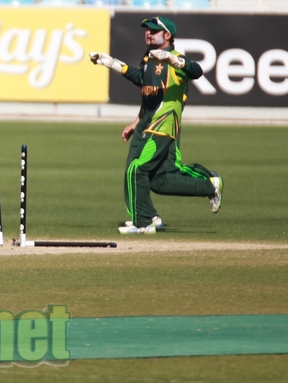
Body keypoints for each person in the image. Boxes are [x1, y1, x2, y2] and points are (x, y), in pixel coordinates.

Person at [90, 15, 222, 234]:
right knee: (158, 181)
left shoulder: (175, 59)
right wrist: (111, 63)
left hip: (162, 126)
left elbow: (197, 71)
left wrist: (174, 61)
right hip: (145, 123)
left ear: (167, 35)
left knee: (137, 169)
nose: (148, 33)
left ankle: (144, 222)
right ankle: (152, 213)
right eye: (147, 30)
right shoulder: (149, 58)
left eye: (153, 30)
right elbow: (143, 82)